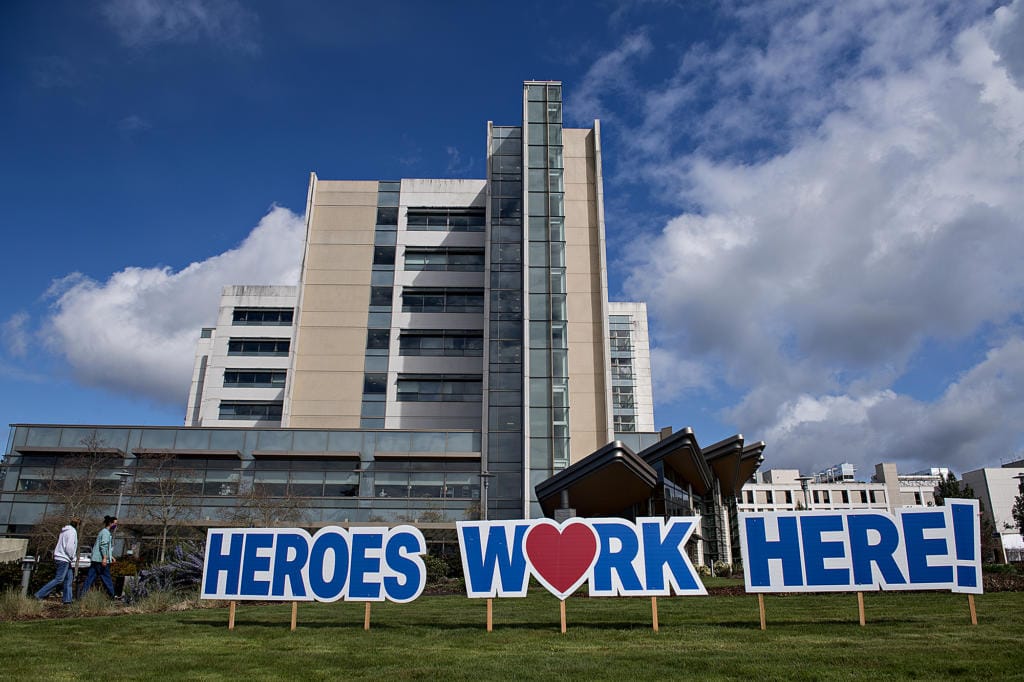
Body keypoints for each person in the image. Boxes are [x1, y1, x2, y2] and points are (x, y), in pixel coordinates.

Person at [34, 517, 80, 604]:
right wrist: (72, 556)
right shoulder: (72, 532)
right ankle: (39, 594)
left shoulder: (64, 531)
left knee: (68, 579)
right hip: (64, 558)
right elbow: (69, 547)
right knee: (59, 579)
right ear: (77, 525)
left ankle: (67, 600)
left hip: (60, 557)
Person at [79, 515, 117, 599]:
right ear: (110, 523)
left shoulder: (103, 532)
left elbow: (104, 547)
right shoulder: (105, 533)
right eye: (115, 524)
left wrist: (111, 556)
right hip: (100, 560)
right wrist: (105, 558)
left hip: (96, 559)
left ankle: (81, 596)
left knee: (90, 578)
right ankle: (112, 595)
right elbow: (103, 546)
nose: (115, 526)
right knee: (106, 577)